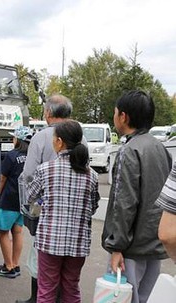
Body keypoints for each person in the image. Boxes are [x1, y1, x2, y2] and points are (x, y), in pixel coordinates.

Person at [102, 90, 172, 303]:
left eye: (115, 113)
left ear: (124, 116)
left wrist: (116, 246)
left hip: (131, 247)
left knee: (122, 297)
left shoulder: (130, 150)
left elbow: (125, 203)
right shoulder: (161, 148)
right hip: (154, 244)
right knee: (145, 298)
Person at [17, 94, 80, 303]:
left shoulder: (42, 136)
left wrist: (30, 201)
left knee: (42, 257)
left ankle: (38, 298)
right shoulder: (81, 135)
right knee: (69, 270)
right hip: (75, 212)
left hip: (46, 210)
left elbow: (28, 174)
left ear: (49, 113)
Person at [28, 120, 99, 303]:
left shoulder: (46, 169)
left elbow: (30, 196)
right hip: (78, 244)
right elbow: (92, 207)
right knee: (71, 288)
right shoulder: (91, 175)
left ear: (59, 142)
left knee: (46, 290)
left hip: (50, 241)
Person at [0, 126, 32, 279]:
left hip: (9, 200)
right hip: (24, 201)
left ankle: (8, 266)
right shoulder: (32, 156)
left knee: (3, 232)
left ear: (18, 140)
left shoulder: (12, 155)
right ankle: (15, 264)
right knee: (18, 231)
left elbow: (2, 178)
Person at [156, 162, 176, 263]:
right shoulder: (164, 150)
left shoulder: (129, 151)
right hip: (152, 246)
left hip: (134, 245)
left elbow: (168, 235)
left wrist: (116, 245)